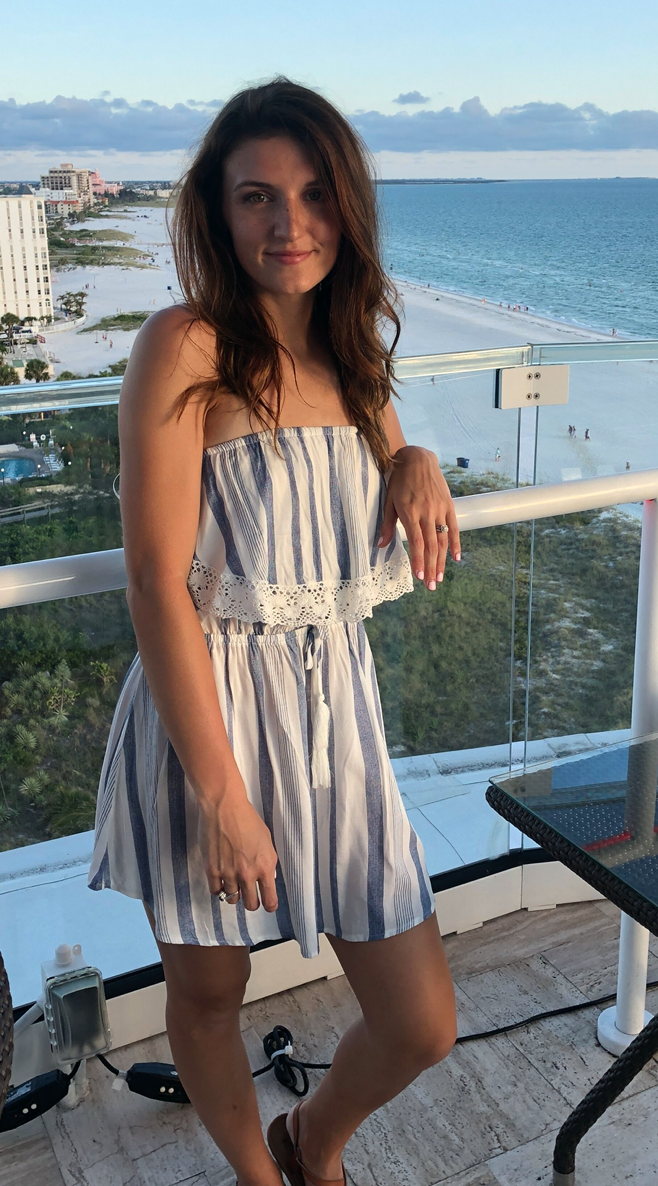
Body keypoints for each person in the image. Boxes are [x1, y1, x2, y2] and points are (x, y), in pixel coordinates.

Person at [87, 79, 458, 1186]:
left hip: (336, 717)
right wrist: (226, 800)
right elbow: (157, 582)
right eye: (255, 197)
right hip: (206, 718)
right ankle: (263, 1176)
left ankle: (315, 1138)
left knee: (421, 1019)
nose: (287, 226)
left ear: (345, 208)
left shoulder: (354, 349)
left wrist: (417, 457)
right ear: (216, 209)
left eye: (311, 195)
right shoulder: (185, 344)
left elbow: (385, 446)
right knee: (208, 991)